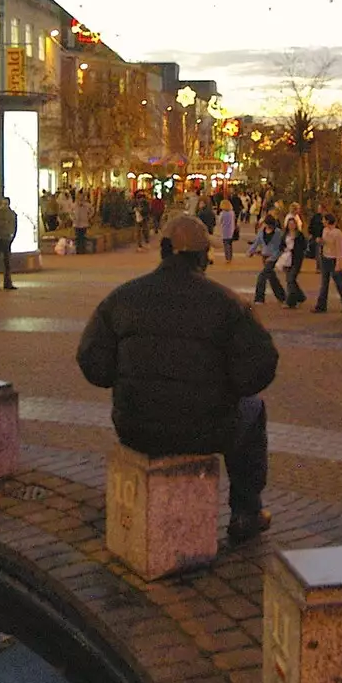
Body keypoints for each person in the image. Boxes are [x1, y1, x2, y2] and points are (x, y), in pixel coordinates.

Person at [76, 215, 280, 544]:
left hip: (135, 426)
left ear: (164, 252)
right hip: (205, 429)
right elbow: (259, 368)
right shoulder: (228, 304)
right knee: (252, 410)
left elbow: (93, 364)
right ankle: (246, 511)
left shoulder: (122, 297)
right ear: (201, 257)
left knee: (245, 408)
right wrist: (228, 385)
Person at [313, 212, 342, 314]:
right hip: (325, 258)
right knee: (324, 283)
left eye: (324, 220)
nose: (323, 222)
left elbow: (339, 248)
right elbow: (325, 243)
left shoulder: (337, 233)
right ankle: (321, 305)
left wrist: (339, 263)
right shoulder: (324, 230)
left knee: (338, 284)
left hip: (334, 259)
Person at [248, 216, 288, 305]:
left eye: (271, 225)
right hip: (264, 256)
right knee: (272, 277)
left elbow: (279, 247)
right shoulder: (261, 232)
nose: (269, 227)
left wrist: (273, 257)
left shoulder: (278, 233)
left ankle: (259, 298)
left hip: (273, 257)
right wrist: (250, 251)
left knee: (262, 276)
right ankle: (282, 296)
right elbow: (256, 242)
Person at [282, 204, 308, 308]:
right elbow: (281, 245)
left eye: (293, 224)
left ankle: (291, 301)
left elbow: (303, 246)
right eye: (290, 224)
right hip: (287, 258)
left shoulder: (299, 235)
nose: (291, 226)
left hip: (296, 259)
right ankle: (300, 297)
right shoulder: (285, 235)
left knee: (291, 279)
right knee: (290, 280)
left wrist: (296, 250)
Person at [0, 196, 18, 291]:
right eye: (3, 204)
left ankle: (5, 282)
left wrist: (11, 237)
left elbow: (14, 227)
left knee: (4, 262)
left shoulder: (11, 214)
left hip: (5, 239)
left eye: (5, 204)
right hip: (0, 238)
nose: (4, 206)